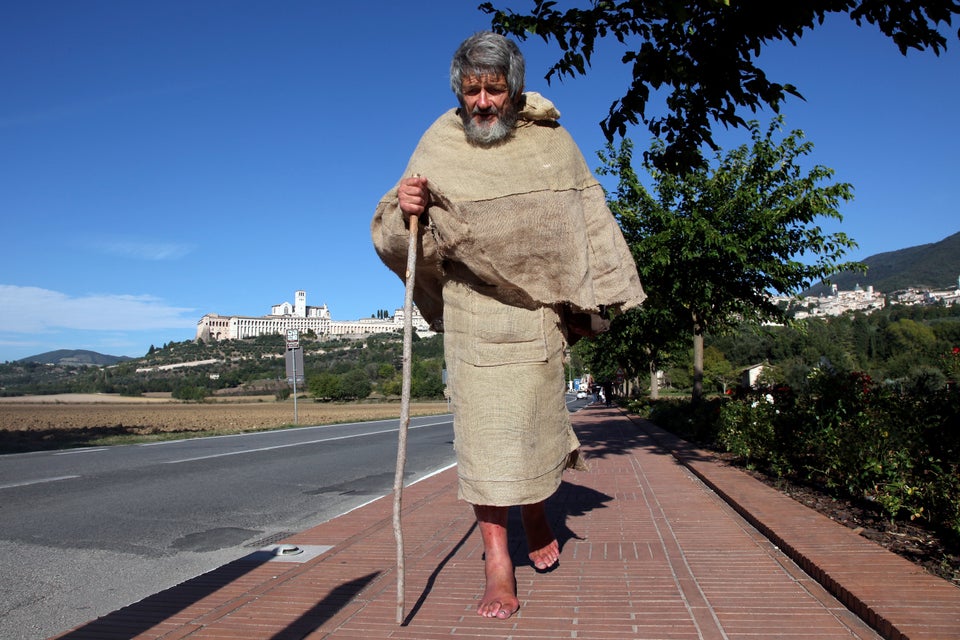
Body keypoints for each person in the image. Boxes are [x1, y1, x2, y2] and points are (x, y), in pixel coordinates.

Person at [372, 31, 645, 620]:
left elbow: (580, 219)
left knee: (535, 428)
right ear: (459, 92)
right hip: (472, 312)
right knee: (483, 438)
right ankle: (497, 560)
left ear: (514, 89)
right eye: (472, 90)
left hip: (536, 315)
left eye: (494, 89)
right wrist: (407, 209)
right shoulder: (438, 143)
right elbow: (401, 239)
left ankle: (537, 511)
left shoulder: (550, 143)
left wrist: (587, 296)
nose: (483, 102)